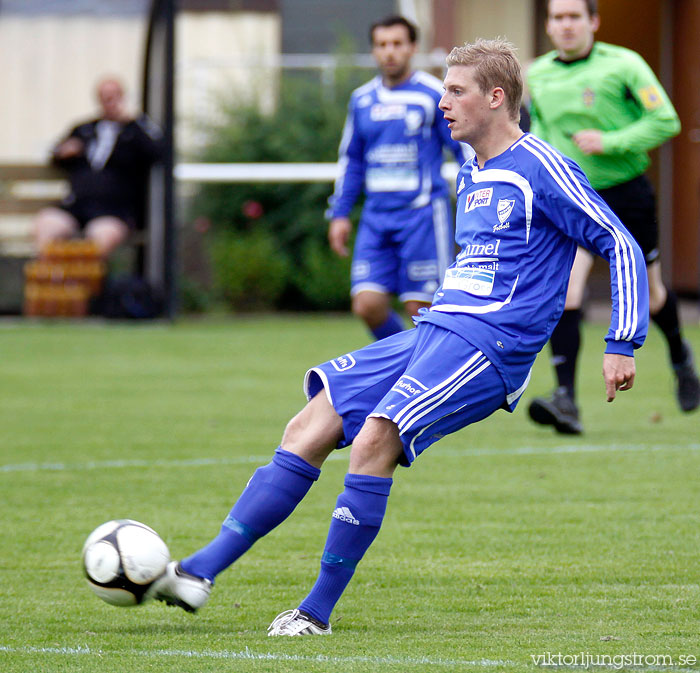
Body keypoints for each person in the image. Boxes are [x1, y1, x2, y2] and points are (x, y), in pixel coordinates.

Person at [148, 38, 648, 636]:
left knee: (375, 439)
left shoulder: (544, 168)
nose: (442, 103)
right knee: (311, 422)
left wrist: (622, 340)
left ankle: (315, 613)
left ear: (495, 97)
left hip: (489, 346)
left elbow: (619, 243)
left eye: (455, 91)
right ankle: (197, 572)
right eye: (443, 90)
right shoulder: (473, 169)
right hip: (436, 329)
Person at [525, 0, 700, 434]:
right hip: (575, 198)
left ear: (593, 22)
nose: (565, 26)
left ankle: (681, 360)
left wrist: (611, 140)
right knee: (566, 289)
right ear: (547, 26)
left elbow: (666, 120)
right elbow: (540, 132)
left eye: (574, 17)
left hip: (626, 194)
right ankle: (566, 399)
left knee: (652, 293)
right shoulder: (538, 74)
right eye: (557, 18)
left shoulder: (625, 64)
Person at [326, 15, 473, 340]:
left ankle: (432, 382)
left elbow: (463, 149)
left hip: (421, 214)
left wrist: (473, 199)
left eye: (396, 44)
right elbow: (351, 160)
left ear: (412, 48)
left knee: (422, 309)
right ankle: (406, 369)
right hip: (376, 218)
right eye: (381, 45)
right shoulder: (361, 100)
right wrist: (339, 214)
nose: (389, 52)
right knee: (367, 305)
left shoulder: (433, 94)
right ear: (374, 50)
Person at [32, 76, 163, 258]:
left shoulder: (135, 131)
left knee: (97, 240)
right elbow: (56, 153)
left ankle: (84, 284)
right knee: (46, 225)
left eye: (113, 97)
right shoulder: (84, 129)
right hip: (77, 205)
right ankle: (52, 284)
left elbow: (157, 153)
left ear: (122, 97)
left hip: (114, 210)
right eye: (104, 97)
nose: (109, 103)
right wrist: (64, 151)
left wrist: (132, 122)